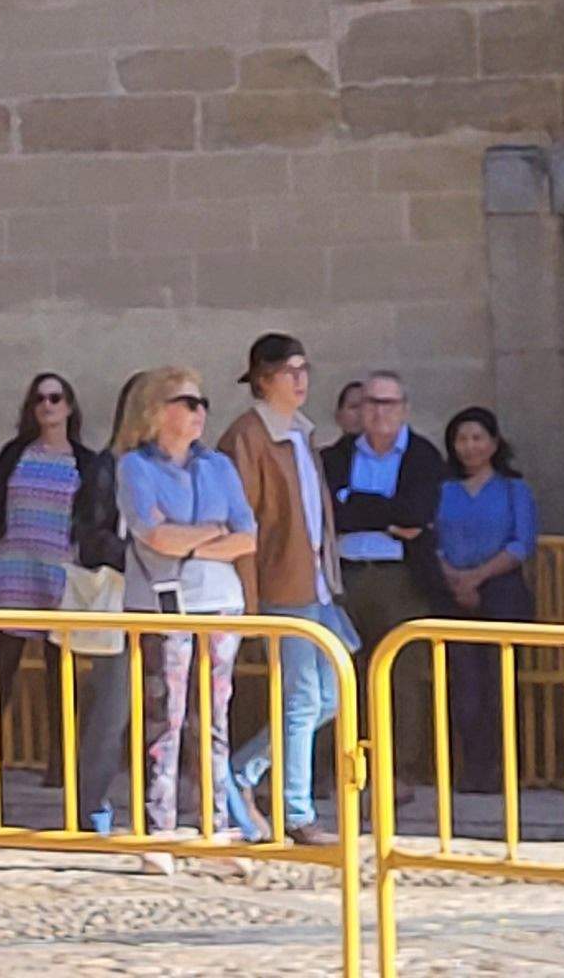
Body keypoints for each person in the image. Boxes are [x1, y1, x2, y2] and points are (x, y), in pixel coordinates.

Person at [216, 333, 352, 844]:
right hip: (282, 583)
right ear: (263, 379)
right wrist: (249, 599)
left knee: (330, 693)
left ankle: (245, 771)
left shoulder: (300, 431)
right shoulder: (248, 436)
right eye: (288, 371)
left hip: (314, 583)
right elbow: (243, 522)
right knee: (302, 696)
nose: (300, 380)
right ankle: (297, 811)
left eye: (304, 369)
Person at [0, 371, 125, 821]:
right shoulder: (14, 454)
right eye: (39, 399)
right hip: (13, 569)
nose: (47, 406)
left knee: (60, 671)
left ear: (70, 406)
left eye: (56, 398)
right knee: (2, 667)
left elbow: (96, 515)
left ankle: (60, 762)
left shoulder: (85, 461)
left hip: (61, 572)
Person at [119, 364, 258, 847]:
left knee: (214, 720)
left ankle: (213, 826)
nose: (200, 412)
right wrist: (211, 533)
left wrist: (190, 542)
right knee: (164, 718)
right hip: (163, 603)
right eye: (188, 402)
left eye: (203, 403)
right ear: (157, 410)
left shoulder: (218, 466)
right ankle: (157, 828)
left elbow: (247, 536)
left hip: (219, 603)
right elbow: (153, 534)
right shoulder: (135, 467)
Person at [323, 368, 438, 783]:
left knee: (401, 674)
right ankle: (342, 766)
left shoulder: (423, 456)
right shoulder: (336, 456)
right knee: (341, 671)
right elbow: (331, 515)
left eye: (388, 403)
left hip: (400, 578)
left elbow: (416, 515)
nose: (378, 411)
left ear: (404, 408)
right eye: (371, 402)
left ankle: (397, 770)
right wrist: (387, 514)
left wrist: (357, 504)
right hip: (346, 576)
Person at [428, 406, 538, 796]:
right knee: (465, 684)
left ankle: (504, 767)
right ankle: (471, 767)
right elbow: (432, 538)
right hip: (452, 592)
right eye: (462, 439)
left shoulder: (513, 489)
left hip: (502, 591)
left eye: (477, 438)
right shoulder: (443, 490)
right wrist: (455, 578)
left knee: (499, 682)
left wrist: (478, 577)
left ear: (493, 443)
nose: (470, 446)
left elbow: (521, 543)